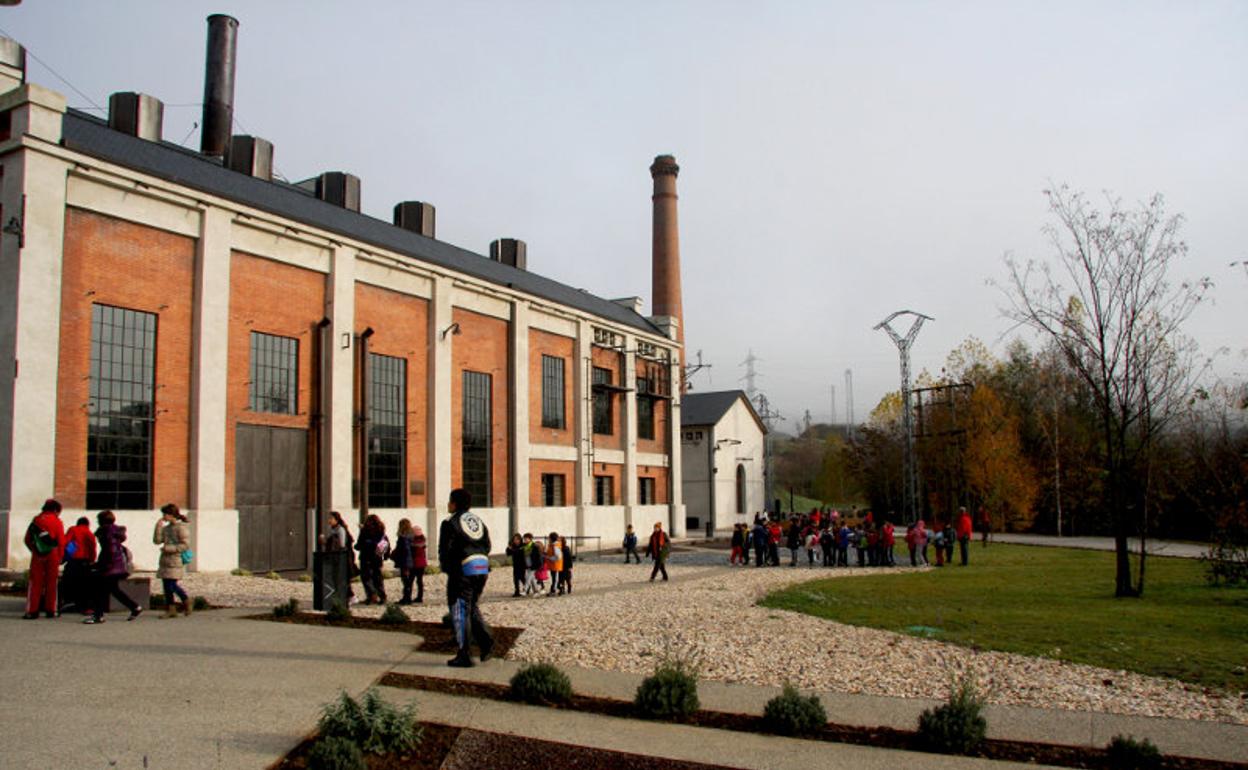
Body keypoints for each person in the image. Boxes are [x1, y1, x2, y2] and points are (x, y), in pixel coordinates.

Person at [438, 488, 493, 667]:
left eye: (449, 500)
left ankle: (465, 654)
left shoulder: (450, 522)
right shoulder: (477, 521)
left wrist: (448, 567)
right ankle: (486, 641)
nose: (448, 504)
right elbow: (487, 545)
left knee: (460, 610)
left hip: (462, 570)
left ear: (454, 503)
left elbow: (445, 550)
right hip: (481, 567)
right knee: (471, 607)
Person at [86, 510, 141, 623]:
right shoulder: (115, 531)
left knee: (100, 590)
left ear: (102, 521)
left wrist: (99, 564)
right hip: (118, 565)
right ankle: (135, 607)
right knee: (113, 590)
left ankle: (98, 616)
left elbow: (109, 551)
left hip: (110, 566)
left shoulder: (106, 532)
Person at [24, 499, 66, 619]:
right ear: (55, 510)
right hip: (53, 554)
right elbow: (61, 542)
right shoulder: (57, 522)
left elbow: (27, 539)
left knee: (35, 582)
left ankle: (32, 611)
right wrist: (60, 557)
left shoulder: (36, 520)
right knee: (52, 583)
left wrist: (35, 550)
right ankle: (50, 610)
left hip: (38, 555)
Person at [154, 503, 192, 617]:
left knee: (171, 585)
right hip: (165, 560)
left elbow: (185, 545)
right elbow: (157, 540)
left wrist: (169, 548)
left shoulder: (181, 528)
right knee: (166, 586)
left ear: (171, 515)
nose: (163, 516)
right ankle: (171, 609)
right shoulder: (166, 528)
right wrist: (158, 527)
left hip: (175, 559)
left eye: (165, 514)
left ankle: (186, 600)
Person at [60, 515, 97, 614]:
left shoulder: (72, 529)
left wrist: (62, 557)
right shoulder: (89, 533)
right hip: (85, 562)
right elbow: (93, 548)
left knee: (69, 582)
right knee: (84, 585)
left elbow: (65, 542)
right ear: (87, 524)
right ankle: (86, 608)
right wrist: (92, 560)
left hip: (73, 561)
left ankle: (68, 602)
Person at [324, 510, 357, 604]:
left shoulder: (340, 529)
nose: (329, 520)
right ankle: (345, 595)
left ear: (337, 519)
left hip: (342, 556)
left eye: (331, 518)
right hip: (333, 556)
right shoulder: (330, 529)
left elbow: (342, 545)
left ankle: (350, 596)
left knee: (343, 577)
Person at [355, 514, 390, 604]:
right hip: (377, 558)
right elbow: (385, 544)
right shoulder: (381, 531)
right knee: (378, 578)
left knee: (366, 578)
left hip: (366, 557)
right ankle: (382, 596)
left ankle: (371, 595)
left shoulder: (365, 531)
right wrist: (385, 556)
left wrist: (357, 546)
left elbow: (359, 545)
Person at [391, 519, 425, 604]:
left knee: (406, 581)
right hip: (413, 562)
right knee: (412, 581)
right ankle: (410, 597)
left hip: (405, 562)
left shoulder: (403, 537)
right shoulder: (412, 536)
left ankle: (407, 598)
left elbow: (405, 550)